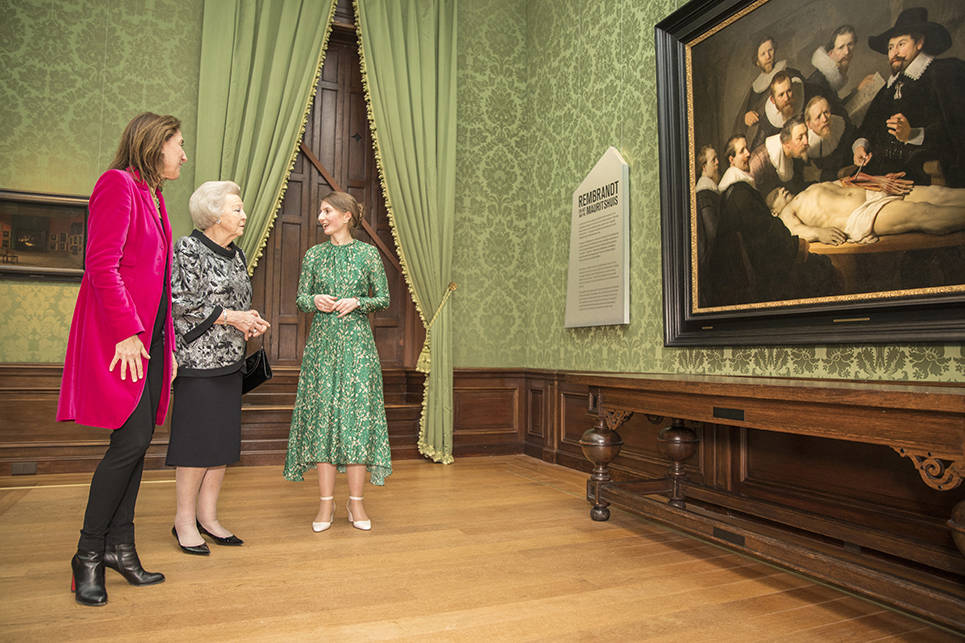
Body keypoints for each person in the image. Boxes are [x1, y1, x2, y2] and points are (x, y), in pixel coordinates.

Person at [57, 112, 186, 605]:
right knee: (128, 445)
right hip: (123, 341)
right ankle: (88, 554)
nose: (183, 154)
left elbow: (158, 285)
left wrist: (166, 347)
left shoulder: (153, 196)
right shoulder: (117, 184)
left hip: (151, 344)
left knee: (139, 444)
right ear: (154, 145)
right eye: (178, 144)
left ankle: (120, 547)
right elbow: (101, 266)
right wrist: (128, 332)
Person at [167, 181, 269, 554]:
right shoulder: (189, 249)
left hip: (231, 362)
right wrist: (233, 317)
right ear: (214, 214)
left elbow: (237, 302)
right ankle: (183, 521)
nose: (244, 215)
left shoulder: (236, 255)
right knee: (196, 446)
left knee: (221, 445)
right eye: (237, 209)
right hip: (197, 363)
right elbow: (183, 304)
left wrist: (250, 319)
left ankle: (208, 517)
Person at [284, 191, 392, 533]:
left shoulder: (368, 254)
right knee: (323, 420)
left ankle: (356, 502)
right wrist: (314, 298)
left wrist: (358, 302)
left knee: (357, 419)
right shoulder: (314, 256)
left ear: (347, 216)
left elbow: (384, 298)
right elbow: (301, 299)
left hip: (359, 349)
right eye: (320, 212)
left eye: (327, 211)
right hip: (322, 349)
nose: (321, 217)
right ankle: (326, 504)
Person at [853, 8, 965, 187]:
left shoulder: (944, 73)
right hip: (880, 176)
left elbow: (956, 126)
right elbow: (869, 126)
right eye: (890, 47)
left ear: (919, 42)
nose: (894, 53)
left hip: (923, 175)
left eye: (901, 44)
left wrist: (913, 134)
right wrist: (860, 146)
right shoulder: (887, 89)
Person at [771, 177, 965, 245]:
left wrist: (878, 181)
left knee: (937, 193)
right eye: (775, 194)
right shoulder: (785, 214)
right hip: (860, 216)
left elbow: (847, 183)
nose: (781, 189)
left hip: (873, 195)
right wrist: (819, 233)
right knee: (922, 212)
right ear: (773, 211)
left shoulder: (808, 190)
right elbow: (795, 230)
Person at [735, 36, 807, 152]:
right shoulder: (755, 89)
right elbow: (745, 116)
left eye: (770, 50)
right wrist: (747, 116)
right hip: (766, 141)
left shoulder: (790, 73)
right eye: (763, 54)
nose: (768, 56)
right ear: (757, 61)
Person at [807, 25, 876, 119]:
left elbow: (837, 107)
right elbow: (837, 116)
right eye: (841, 47)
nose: (847, 52)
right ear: (830, 53)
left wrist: (858, 90)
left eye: (850, 44)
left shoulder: (828, 80)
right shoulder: (818, 82)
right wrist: (857, 92)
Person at [748, 117, 811, 205]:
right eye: (800, 138)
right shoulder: (759, 160)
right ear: (787, 144)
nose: (806, 142)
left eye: (806, 135)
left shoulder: (794, 155)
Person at [803, 96, 855, 182]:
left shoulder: (840, 124)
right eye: (818, 117)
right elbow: (811, 176)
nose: (824, 119)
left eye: (826, 112)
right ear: (809, 124)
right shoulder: (806, 147)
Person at [751, 71, 805, 150]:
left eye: (789, 91)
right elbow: (758, 146)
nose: (786, 98)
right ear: (773, 100)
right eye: (781, 95)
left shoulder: (801, 93)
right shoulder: (768, 123)